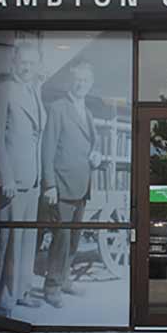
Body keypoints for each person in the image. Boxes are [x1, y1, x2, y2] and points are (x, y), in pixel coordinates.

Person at [0, 39, 45, 318]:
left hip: (31, 180)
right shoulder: (2, 90)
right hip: (11, 181)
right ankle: (4, 299)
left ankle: (22, 291)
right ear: (14, 63)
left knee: (27, 240)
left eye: (32, 63)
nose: (27, 68)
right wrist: (3, 176)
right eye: (23, 63)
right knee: (8, 242)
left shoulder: (35, 92)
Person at [41, 61, 103, 308]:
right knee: (62, 238)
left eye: (86, 81)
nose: (81, 85)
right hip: (62, 185)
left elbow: (91, 146)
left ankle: (65, 279)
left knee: (75, 237)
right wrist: (49, 185)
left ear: (91, 84)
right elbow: (47, 150)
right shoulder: (57, 108)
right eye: (77, 80)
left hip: (82, 185)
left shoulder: (87, 112)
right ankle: (52, 286)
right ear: (70, 81)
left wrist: (97, 156)